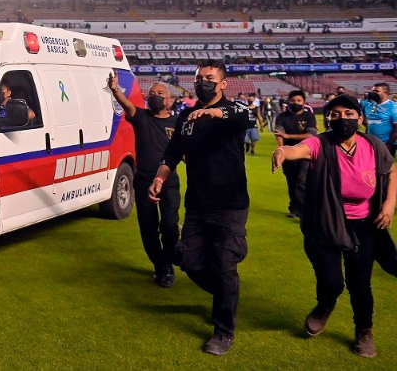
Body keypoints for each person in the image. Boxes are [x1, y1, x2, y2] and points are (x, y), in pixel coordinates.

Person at [271, 94, 396, 358]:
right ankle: (324, 307)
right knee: (331, 281)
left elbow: (391, 171)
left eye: (349, 114)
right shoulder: (320, 144)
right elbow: (298, 149)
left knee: (360, 284)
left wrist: (388, 205)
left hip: (364, 224)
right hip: (324, 224)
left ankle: (364, 331)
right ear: (327, 119)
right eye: (336, 114)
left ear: (360, 118)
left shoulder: (372, 145)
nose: (343, 119)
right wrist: (282, 151)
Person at [148, 60, 256, 356]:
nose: (203, 82)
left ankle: (223, 331)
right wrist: (160, 176)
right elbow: (171, 153)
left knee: (224, 263)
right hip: (198, 203)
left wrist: (215, 112)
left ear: (223, 84)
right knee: (188, 260)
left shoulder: (233, 113)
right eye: (199, 78)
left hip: (230, 203)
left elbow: (244, 114)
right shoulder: (185, 117)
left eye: (210, 78)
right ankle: (226, 291)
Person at [108, 72, 180, 288]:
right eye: (152, 93)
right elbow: (128, 106)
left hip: (169, 183)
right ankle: (162, 267)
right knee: (148, 229)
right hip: (143, 183)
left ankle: (170, 258)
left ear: (170, 100)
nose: (155, 96)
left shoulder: (178, 124)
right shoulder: (141, 117)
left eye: (160, 93)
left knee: (169, 226)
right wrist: (115, 90)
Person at [275, 90, 318, 218]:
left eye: (299, 101)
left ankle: (304, 209)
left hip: (304, 152)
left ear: (304, 102)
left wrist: (288, 135)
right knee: (291, 181)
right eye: (293, 100)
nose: (296, 103)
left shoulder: (309, 116)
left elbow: (310, 135)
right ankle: (294, 209)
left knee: (301, 180)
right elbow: (279, 133)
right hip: (287, 153)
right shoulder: (282, 116)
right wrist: (281, 150)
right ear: (288, 101)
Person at [362, 83, 397, 157]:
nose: (373, 93)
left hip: (386, 143)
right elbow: (368, 123)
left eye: (376, 91)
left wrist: (389, 144)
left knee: (385, 167)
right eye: (373, 91)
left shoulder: (393, 107)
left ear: (385, 93)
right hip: (371, 143)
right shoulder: (370, 105)